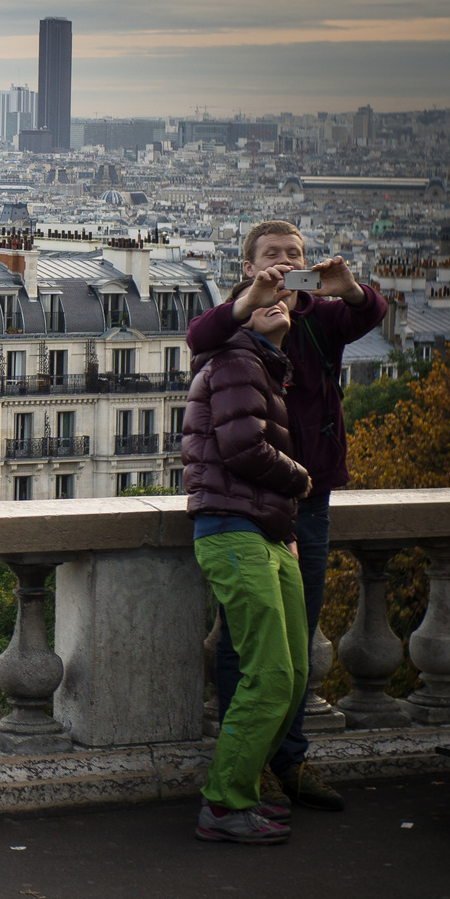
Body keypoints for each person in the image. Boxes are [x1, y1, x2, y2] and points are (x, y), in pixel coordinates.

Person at [186, 221, 387, 813]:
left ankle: (287, 759)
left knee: (294, 635)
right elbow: (200, 336)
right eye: (271, 255)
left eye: (294, 256)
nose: (284, 264)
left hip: (307, 496)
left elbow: (371, 314)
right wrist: (251, 301)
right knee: (247, 642)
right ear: (247, 266)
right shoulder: (244, 318)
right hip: (255, 495)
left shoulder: (319, 321)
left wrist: (347, 287)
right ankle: (251, 769)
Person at [182, 286, 313, 844]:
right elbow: (242, 448)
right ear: (239, 315)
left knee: (296, 673)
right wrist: (301, 479)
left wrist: (284, 529)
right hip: (232, 531)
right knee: (274, 675)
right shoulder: (237, 359)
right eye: (262, 301)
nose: (277, 303)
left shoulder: (265, 366)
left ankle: (241, 792)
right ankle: (224, 803)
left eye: (284, 299)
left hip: (265, 534)